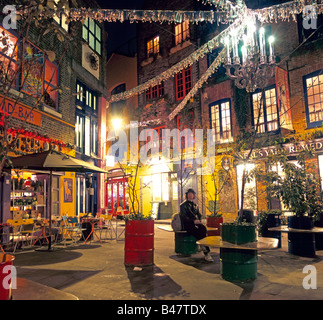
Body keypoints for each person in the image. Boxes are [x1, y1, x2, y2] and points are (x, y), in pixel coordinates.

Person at [179, 188, 213, 262]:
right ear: (187, 195)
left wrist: (201, 220)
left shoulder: (195, 205)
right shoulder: (183, 205)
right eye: (189, 194)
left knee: (203, 229)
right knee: (199, 232)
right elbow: (184, 217)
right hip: (187, 225)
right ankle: (206, 252)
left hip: (195, 223)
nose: (190, 195)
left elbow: (199, 214)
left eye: (192, 194)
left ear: (194, 195)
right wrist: (193, 221)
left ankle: (202, 245)